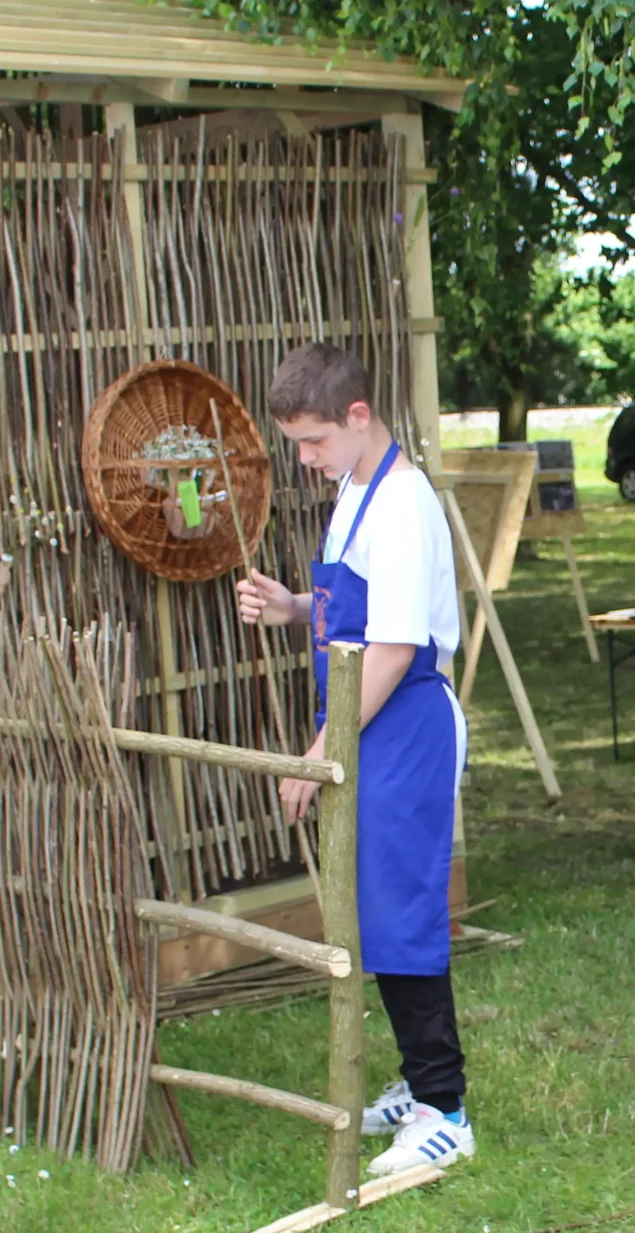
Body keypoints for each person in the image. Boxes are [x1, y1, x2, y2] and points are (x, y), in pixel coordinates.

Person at [234, 345, 473, 1177]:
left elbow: (396, 648)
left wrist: (317, 754)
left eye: (312, 441)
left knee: (402, 909)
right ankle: (416, 1083)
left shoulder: (404, 503)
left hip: (403, 720)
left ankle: (445, 1109)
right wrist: (294, 607)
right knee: (374, 903)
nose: (302, 459)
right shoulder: (353, 491)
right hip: (371, 720)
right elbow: (357, 608)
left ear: (360, 417)